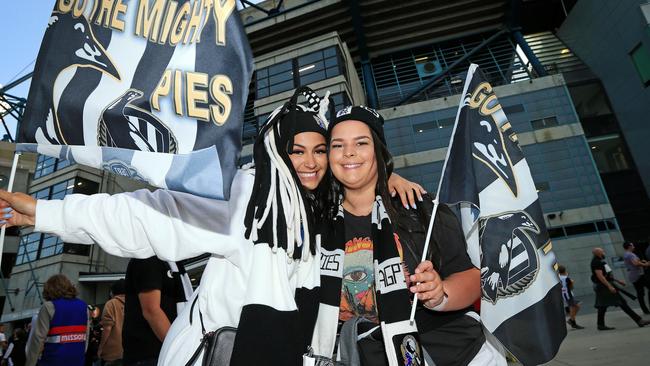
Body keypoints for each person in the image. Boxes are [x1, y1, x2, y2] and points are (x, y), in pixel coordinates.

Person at [0, 87, 421, 366]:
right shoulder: (249, 195)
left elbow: (359, 193)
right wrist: (45, 213)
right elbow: (149, 215)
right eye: (296, 151)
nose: (310, 163)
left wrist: (386, 177)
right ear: (276, 151)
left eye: (318, 151)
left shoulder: (321, 211)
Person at [308, 106, 502, 365]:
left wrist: (440, 293)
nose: (349, 152)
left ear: (379, 151)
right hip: (365, 356)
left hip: (455, 353)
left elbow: (471, 276)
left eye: (361, 143)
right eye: (337, 145)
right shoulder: (317, 223)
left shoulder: (419, 209)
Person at [122, 257, 186, 365]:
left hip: (163, 352)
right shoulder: (147, 257)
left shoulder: (173, 262)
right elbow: (151, 310)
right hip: (149, 355)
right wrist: (178, 349)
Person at [24, 274, 88, 366]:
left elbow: (38, 339)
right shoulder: (84, 306)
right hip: (77, 360)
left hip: (52, 360)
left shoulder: (49, 307)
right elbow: (86, 335)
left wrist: (30, 363)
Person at [590, 247, 650, 330]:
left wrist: (618, 281)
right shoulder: (596, 262)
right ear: (598, 253)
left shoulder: (599, 261)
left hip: (603, 286)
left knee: (602, 306)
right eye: (602, 251)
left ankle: (600, 325)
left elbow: (607, 276)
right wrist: (609, 286)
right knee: (622, 303)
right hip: (603, 287)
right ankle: (639, 320)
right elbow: (600, 276)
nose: (604, 253)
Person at [98, 279, 125, 366]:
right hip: (130, 351)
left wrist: (101, 348)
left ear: (113, 291)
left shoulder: (111, 304)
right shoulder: (134, 303)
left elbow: (107, 328)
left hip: (113, 353)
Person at [622, 242, 650, 314]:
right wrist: (645, 264)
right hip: (638, 275)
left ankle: (645, 310)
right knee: (643, 291)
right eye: (632, 245)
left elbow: (635, 262)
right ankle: (645, 309)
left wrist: (641, 261)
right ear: (629, 246)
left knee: (640, 293)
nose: (634, 247)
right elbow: (635, 263)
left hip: (634, 276)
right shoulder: (630, 254)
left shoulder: (626, 254)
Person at [558, 265, 584, 329]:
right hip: (568, 294)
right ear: (565, 271)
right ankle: (572, 321)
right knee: (576, 306)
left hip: (564, 294)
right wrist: (572, 282)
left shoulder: (558, 277)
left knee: (575, 306)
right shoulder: (567, 279)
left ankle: (572, 320)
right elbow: (571, 287)